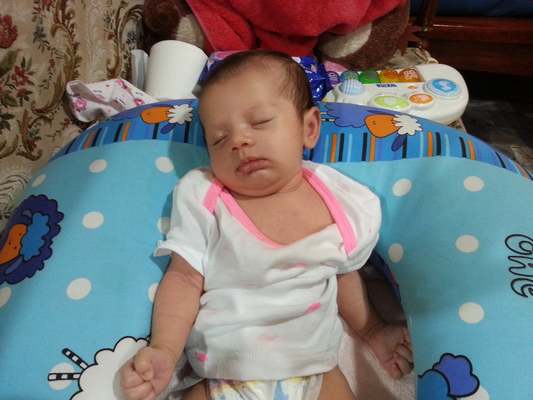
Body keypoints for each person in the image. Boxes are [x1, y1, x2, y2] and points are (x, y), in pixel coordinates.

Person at [120, 50, 412, 400]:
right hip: (224, 374)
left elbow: (344, 275)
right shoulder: (205, 195)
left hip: (314, 370)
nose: (239, 141)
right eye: (219, 138)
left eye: (259, 122)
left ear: (308, 128)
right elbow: (184, 278)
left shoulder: (341, 198)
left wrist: (374, 330)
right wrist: (164, 351)